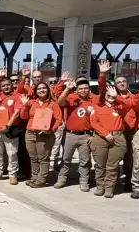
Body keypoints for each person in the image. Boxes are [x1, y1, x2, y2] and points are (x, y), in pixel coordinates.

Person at [55, 60, 110, 191]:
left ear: (89, 89)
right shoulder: (72, 97)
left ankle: (84, 181)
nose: (83, 90)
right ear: (77, 90)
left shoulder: (95, 99)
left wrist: (102, 74)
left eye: (86, 88)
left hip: (86, 135)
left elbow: (103, 90)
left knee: (85, 161)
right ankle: (62, 178)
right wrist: (67, 89)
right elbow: (59, 101)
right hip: (70, 134)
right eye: (80, 88)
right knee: (66, 159)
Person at [89, 84, 132, 198]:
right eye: (108, 93)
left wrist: (117, 97)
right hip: (101, 138)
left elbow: (129, 105)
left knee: (112, 166)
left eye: (113, 93)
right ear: (104, 95)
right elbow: (94, 122)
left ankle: (109, 188)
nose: (110, 96)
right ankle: (100, 186)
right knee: (100, 165)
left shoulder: (120, 107)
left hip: (117, 137)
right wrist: (106, 133)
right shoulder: (97, 107)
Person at [21, 82, 63, 188]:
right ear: (36, 91)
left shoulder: (53, 104)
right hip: (30, 133)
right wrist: (25, 105)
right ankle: (34, 177)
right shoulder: (31, 103)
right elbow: (24, 116)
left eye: (44, 88)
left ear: (48, 90)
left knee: (43, 158)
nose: (41, 90)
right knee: (33, 157)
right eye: (39, 89)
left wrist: (51, 130)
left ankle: (42, 179)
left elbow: (58, 119)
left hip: (44, 134)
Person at [0, 74, 24, 185]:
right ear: (0, 87)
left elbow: (17, 112)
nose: (6, 87)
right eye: (3, 86)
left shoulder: (18, 96)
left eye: (8, 85)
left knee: (12, 153)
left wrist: (7, 126)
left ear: (12, 85)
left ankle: (12, 174)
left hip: (10, 129)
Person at [113, 74, 137, 192]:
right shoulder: (111, 97)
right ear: (115, 85)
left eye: (124, 81)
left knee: (129, 158)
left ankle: (129, 181)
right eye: (119, 82)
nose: (122, 83)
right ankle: (112, 181)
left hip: (130, 132)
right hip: (116, 131)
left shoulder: (134, 97)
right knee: (114, 158)